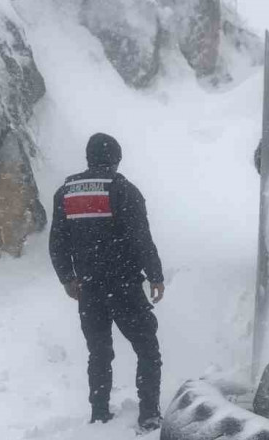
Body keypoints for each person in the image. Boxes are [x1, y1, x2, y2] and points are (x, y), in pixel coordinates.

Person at [48, 133, 166, 432]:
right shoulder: (124, 189)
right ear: (115, 159)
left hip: (88, 289)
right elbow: (141, 238)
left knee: (99, 352)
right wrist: (155, 275)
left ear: (89, 158)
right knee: (147, 350)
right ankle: (149, 414)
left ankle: (99, 414)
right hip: (123, 285)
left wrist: (67, 278)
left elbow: (57, 243)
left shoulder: (65, 193)